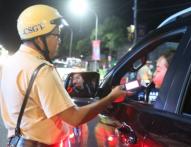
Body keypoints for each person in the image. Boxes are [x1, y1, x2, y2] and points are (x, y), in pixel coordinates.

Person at [0, 4, 128, 146]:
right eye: (56, 35)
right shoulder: (41, 70)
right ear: (39, 38)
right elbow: (75, 118)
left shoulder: (10, 64)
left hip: (15, 142)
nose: (59, 41)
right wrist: (111, 97)